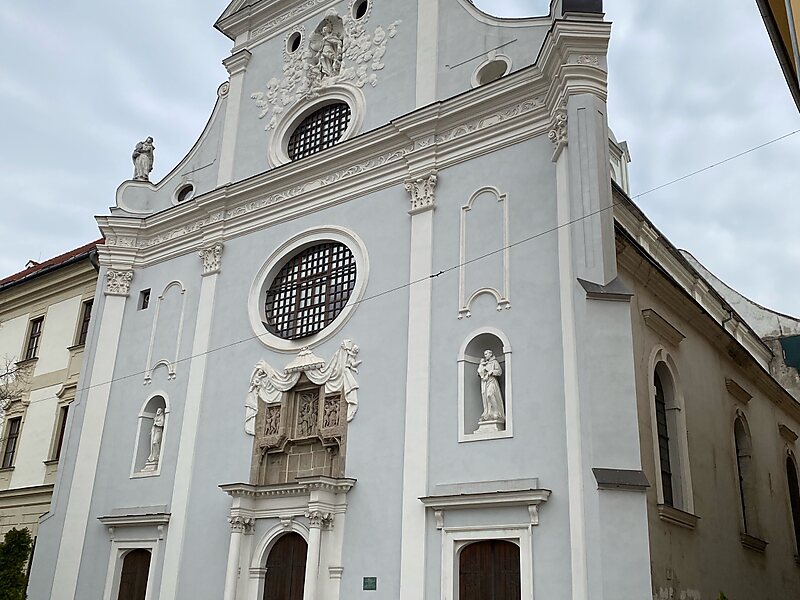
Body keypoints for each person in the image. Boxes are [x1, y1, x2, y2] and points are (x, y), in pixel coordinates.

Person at [477, 350, 505, 423]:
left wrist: (491, 372)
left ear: (491, 354)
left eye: (486, 354)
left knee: (490, 395)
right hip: (484, 382)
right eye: (484, 354)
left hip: (492, 380)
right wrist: (481, 366)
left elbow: (499, 372)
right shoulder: (484, 364)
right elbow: (479, 373)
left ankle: (496, 412)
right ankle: (487, 413)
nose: (485, 355)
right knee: (485, 397)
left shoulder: (494, 362)